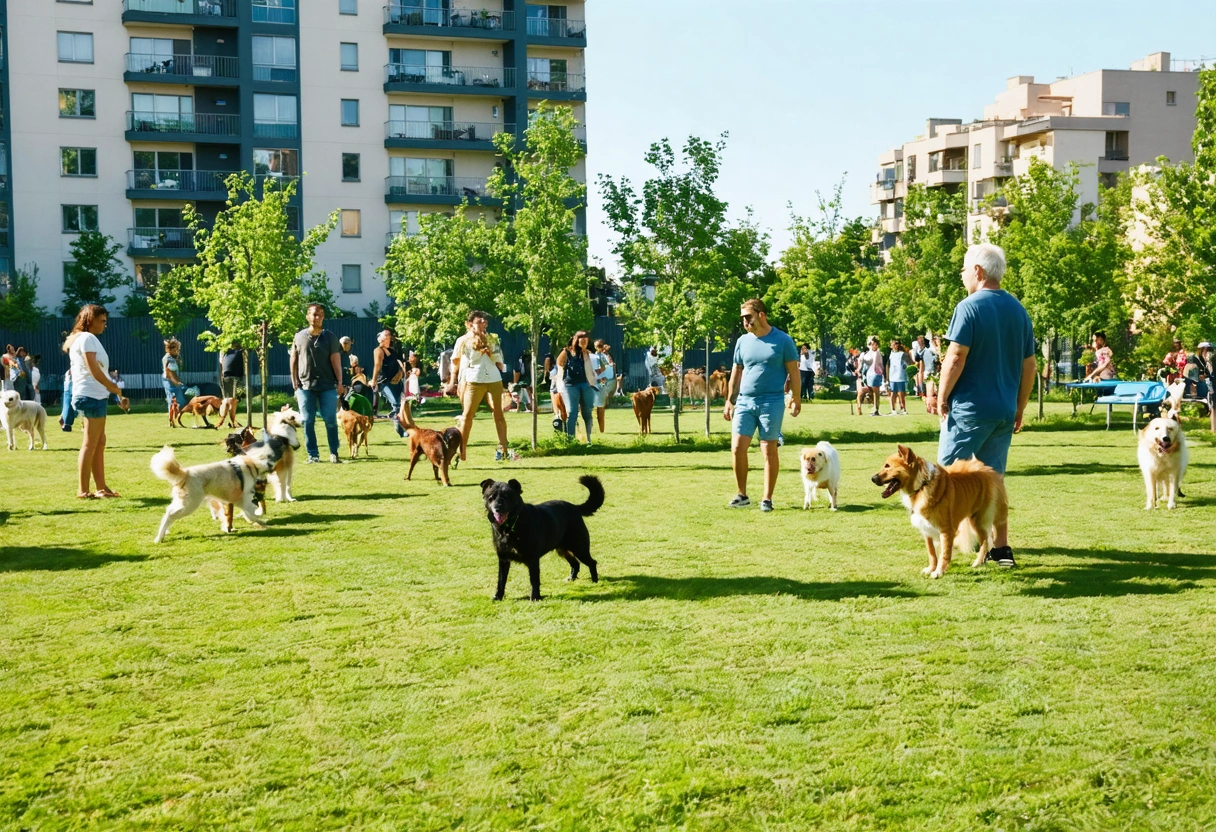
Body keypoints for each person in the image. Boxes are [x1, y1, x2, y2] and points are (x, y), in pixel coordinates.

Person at [937, 243, 1035, 569]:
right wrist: (1019, 407)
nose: (962, 274)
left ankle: (945, 547)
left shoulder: (968, 307)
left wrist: (941, 396)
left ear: (978, 271)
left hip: (969, 409)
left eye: (964, 269)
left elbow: (956, 356)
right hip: (1003, 411)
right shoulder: (1018, 310)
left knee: (945, 478)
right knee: (994, 482)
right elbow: (1029, 366)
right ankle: (1001, 549)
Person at [723, 298, 799, 512]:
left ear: (761, 315)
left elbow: (794, 372)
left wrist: (796, 397)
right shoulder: (742, 341)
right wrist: (730, 400)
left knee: (768, 449)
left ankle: (767, 499)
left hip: (771, 401)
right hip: (745, 401)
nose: (745, 322)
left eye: (748, 317)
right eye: (742, 318)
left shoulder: (783, 340)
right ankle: (742, 495)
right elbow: (736, 371)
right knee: (737, 448)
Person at [66, 304, 129, 498]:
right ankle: (83, 490)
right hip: (91, 396)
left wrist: (114, 393)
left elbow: (98, 370)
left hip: (92, 395)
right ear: (90, 320)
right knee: (90, 443)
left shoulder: (82, 339)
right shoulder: (87, 338)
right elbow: (93, 369)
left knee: (99, 442)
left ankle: (102, 488)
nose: (104, 325)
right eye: (102, 321)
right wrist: (114, 388)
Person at [451, 310, 514, 461]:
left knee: (499, 414)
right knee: (468, 416)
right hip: (473, 379)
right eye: (479, 321)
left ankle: (503, 449)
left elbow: (499, 360)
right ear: (470, 324)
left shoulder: (492, 338)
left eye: (485, 321)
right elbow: (456, 361)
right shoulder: (463, 340)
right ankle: (461, 451)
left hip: (493, 379)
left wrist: (506, 375)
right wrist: (453, 381)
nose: (483, 324)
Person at [289, 303, 346, 464]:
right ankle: (313, 455)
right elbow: (293, 359)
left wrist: (340, 382)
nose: (318, 317)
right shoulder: (299, 337)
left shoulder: (330, 337)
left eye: (320, 314)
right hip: (305, 386)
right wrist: (294, 381)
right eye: (314, 314)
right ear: (308, 316)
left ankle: (334, 452)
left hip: (327, 385)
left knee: (330, 419)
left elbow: (336, 361)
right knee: (307, 420)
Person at [557, 331, 599, 445]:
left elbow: (595, 368)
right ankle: (570, 441)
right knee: (572, 412)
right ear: (576, 340)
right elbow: (559, 363)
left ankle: (589, 440)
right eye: (581, 339)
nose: (584, 341)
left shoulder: (588, 353)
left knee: (587, 412)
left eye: (586, 339)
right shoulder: (566, 351)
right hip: (570, 385)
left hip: (586, 384)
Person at [371, 329, 406, 437]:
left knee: (401, 404)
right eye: (385, 337)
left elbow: (399, 362)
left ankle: (400, 425)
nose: (388, 339)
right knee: (396, 404)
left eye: (388, 337)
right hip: (384, 382)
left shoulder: (392, 351)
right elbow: (377, 366)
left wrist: (402, 372)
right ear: (380, 339)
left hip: (396, 382)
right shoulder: (378, 351)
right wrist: (374, 380)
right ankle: (399, 428)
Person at [857, 337, 885, 416]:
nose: (873, 346)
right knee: (872, 392)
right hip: (869, 374)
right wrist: (858, 370)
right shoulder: (867, 353)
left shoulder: (877, 353)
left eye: (875, 344)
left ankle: (876, 409)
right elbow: (862, 363)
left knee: (876, 392)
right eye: (872, 344)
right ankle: (875, 409)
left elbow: (879, 364)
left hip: (876, 373)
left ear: (877, 345)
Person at [887, 339, 913, 415]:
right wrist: (887, 377)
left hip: (900, 376)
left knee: (901, 394)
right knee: (893, 393)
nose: (895, 346)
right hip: (892, 377)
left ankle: (903, 409)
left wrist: (906, 367)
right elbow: (888, 365)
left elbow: (909, 363)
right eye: (893, 344)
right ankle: (893, 409)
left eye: (896, 344)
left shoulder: (903, 354)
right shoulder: (890, 355)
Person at [592, 340, 614, 432]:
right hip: (603, 382)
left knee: (598, 407)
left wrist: (597, 373)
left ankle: (599, 428)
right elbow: (609, 367)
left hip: (598, 382)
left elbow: (601, 368)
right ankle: (601, 429)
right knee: (600, 407)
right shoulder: (602, 356)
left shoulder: (597, 356)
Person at [162, 338, 186, 413]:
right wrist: (176, 382)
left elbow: (176, 371)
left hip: (175, 379)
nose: (177, 351)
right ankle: (171, 417)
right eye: (175, 349)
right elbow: (168, 373)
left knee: (181, 400)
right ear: (170, 349)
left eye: (178, 349)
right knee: (172, 399)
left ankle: (177, 414)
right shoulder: (167, 358)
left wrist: (177, 381)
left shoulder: (176, 357)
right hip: (168, 380)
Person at [922, 335, 941, 414]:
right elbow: (936, 361)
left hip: (929, 373)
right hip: (932, 373)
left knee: (931, 393)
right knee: (932, 393)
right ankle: (933, 408)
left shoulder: (926, 351)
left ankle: (931, 408)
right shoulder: (931, 351)